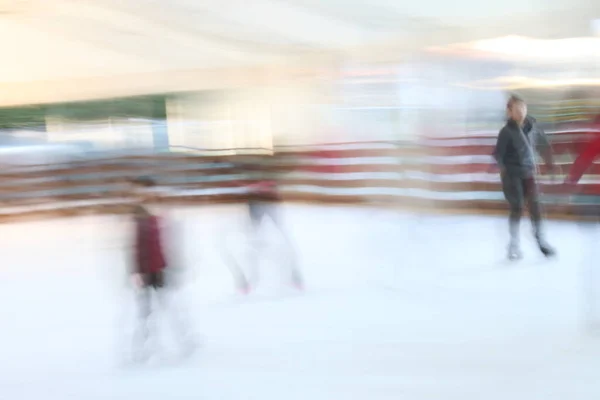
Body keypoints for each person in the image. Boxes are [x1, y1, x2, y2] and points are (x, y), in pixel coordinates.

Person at [129, 179, 195, 362]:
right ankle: (143, 349)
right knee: (148, 311)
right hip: (149, 271)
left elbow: (165, 245)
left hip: (158, 269)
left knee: (163, 307)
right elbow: (138, 247)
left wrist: (172, 266)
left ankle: (182, 340)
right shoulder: (143, 218)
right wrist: (137, 271)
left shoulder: (156, 218)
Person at [493, 95, 557, 260]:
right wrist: (504, 170)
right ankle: (514, 244)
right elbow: (498, 155)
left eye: (523, 107)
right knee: (518, 207)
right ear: (509, 112)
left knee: (536, 207)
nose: (521, 111)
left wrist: (550, 165)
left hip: (529, 174)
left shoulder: (532, 127)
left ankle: (541, 241)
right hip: (512, 176)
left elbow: (543, 146)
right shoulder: (505, 132)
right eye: (516, 108)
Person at [245, 168, 304, 290]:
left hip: (266, 201)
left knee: (279, 238)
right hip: (257, 203)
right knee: (255, 240)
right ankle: (251, 279)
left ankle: (294, 275)